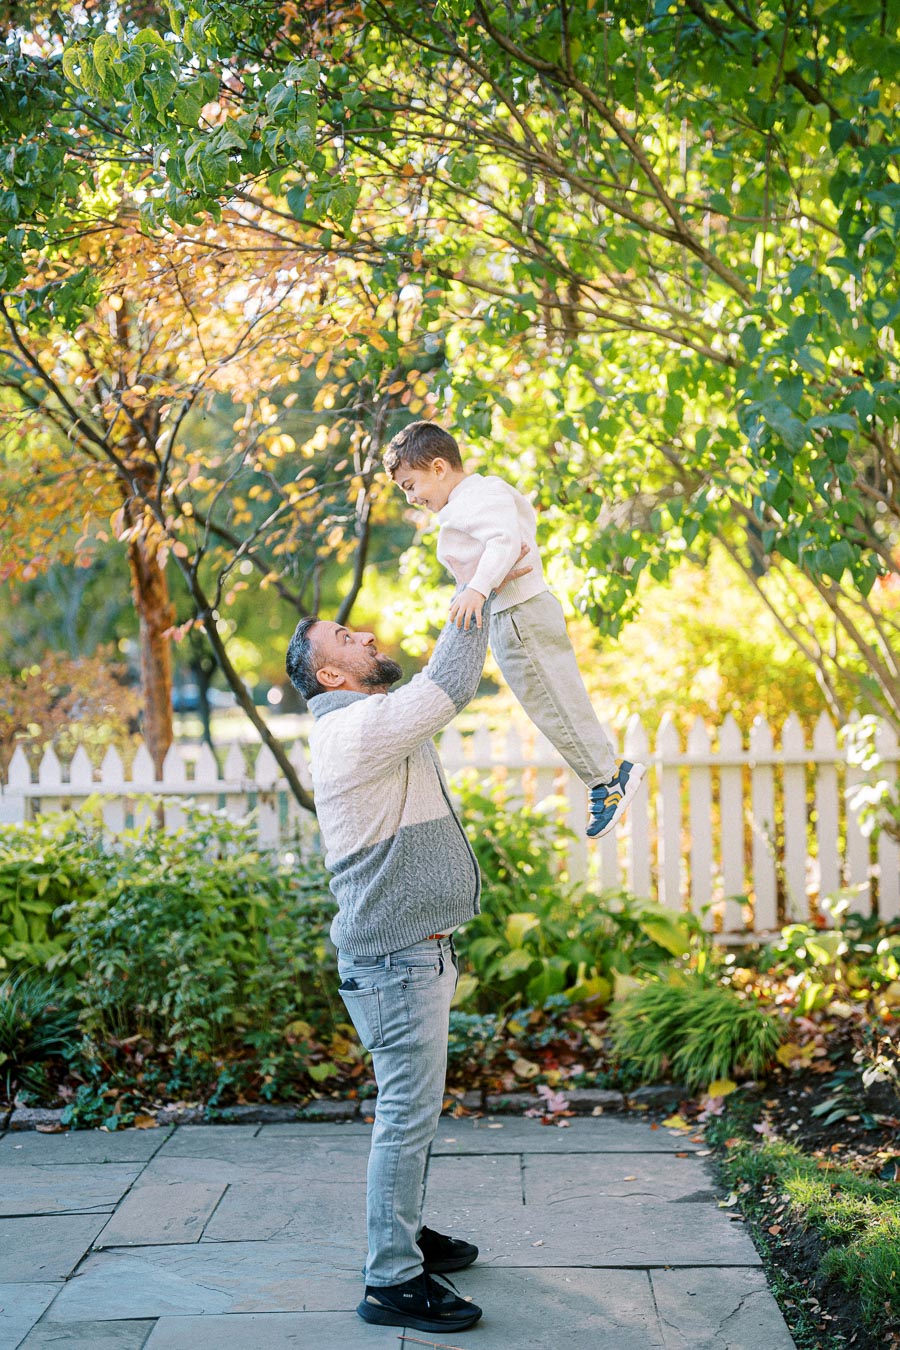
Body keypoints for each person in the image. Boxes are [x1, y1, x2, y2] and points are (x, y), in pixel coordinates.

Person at [284, 551, 529, 1335]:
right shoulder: (354, 730)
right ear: (332, 677)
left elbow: (426, 693)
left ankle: (405, 1234)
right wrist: (479, 586)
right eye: (346, 638)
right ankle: (390, 1279)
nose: (364, 635)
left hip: (409, 956)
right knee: (407, 1116)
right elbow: (450, 684)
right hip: (396, 961)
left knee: (413, 1114)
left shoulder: (364, 720)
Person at [383, 420, 645, 838]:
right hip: (516, 611)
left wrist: (478, 590)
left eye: (410, 485)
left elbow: (505, 543)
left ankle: (608, 780)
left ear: (438, 468)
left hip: (519, 611)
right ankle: (608, 772)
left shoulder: (478, 497)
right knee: (553, 699)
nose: (412, 497)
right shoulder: (476, 499)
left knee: (553, 700)